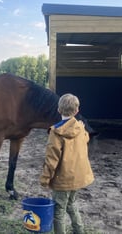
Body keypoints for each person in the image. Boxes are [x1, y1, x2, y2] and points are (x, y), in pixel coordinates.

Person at [40, 93, 94, 234]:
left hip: (62, 179)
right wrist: (82, 128)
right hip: (78, 176)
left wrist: (45, 179)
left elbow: (52, 159)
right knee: (71, 203)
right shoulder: (80, 128)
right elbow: (86, 139)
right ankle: (79, 230)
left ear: (58, 110)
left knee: (59, 210)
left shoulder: (56, 132)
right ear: (77, 111)